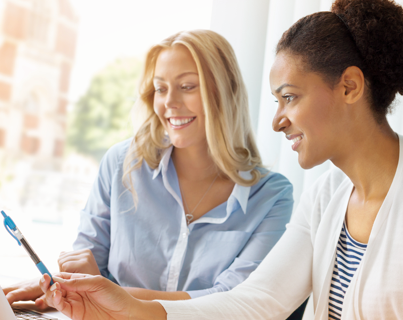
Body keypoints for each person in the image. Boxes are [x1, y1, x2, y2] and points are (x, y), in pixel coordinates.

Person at [38, 0, 403, 319]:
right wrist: (128, 306)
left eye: (289, 97)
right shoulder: (326, 197)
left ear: (350, 87)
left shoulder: (277, 194)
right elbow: (258, 301)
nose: (277, 121)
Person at [4, 30, 294, 308]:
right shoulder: (121, 164)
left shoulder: (271, 197)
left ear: (225, 91)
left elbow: (232, 302)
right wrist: (64, 287)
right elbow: (83, 268)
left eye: (187, 86)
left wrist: (107, 292)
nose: (169, 102)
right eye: (160, 88)